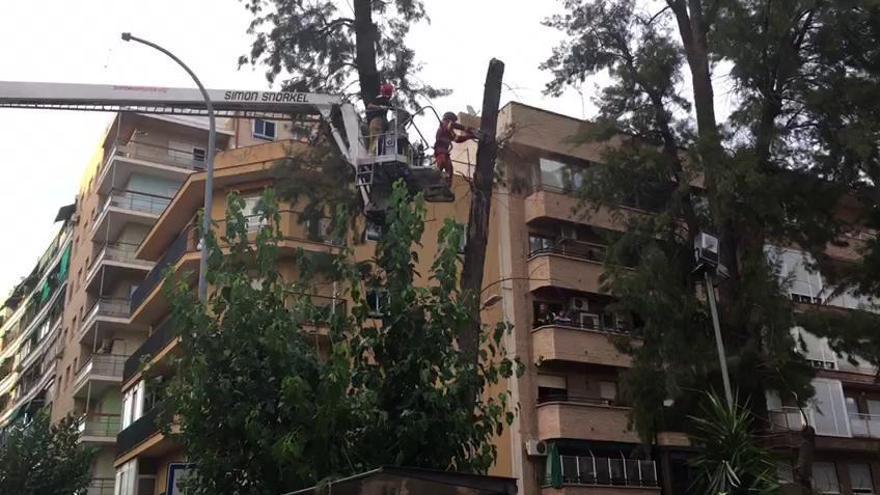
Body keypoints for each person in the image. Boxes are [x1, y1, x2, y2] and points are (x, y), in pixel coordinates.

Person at [433, 112, 476, 186]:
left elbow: (457, 139)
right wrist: (465, 128)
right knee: (442, 171)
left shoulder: (447, 131)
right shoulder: (444, 125)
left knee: (448, 172)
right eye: (453, 121)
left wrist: (470, 136)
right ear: (449, 119)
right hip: (441, 153)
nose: (453, 123)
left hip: (443, 154)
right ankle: (436, 186)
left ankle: (444, 188)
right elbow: (451, 125)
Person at [366, 83, 394, 155]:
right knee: (375, 139)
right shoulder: (379, 99)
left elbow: (393, 108)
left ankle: (379, 154)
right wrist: (379, 107)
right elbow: (369, 106)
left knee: (381, 139)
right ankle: (371, 155)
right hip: (376, 121)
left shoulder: (387, 101)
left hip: (382, 122)